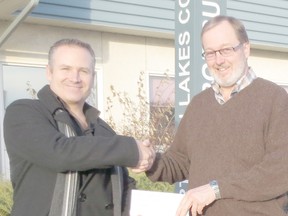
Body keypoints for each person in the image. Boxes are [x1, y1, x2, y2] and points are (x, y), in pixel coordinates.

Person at [144, 15, 288, 216]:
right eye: (210, 53)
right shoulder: (199, 105)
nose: (219, 60)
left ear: (246, 48)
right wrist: (150, 161)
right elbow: (179, 161)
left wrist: (216, 189)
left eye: (226, 49)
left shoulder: (276, 99)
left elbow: (281, 170)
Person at [3, 38, 155, 216]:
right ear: (49, 72)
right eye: (65, 69)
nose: (75, 78)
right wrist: (131, 149)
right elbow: (60, 153)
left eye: (83, 71)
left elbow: (122, 188)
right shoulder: (24, 112)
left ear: (92, 77)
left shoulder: (103, 129)